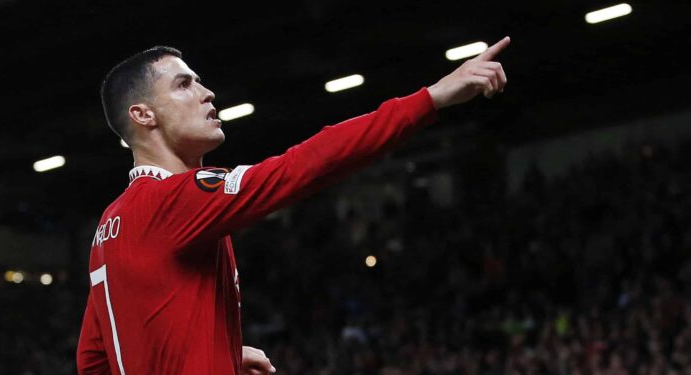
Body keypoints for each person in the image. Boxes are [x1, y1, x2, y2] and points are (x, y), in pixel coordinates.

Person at [76, 37, 510, 374]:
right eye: (184, 84)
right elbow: (303, 166)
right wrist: (432, 97)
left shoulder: (110, 224)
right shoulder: (174, 201)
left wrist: (215, 356)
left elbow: (94, 359)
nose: (207, 93)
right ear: (143, 115)